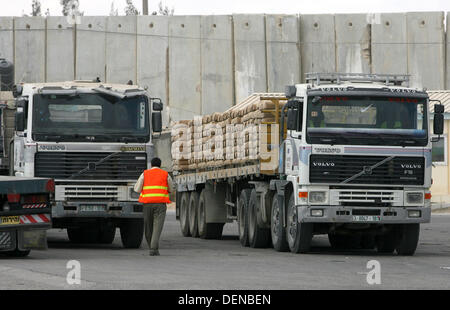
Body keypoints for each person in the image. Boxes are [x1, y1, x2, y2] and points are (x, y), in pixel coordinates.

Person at [134, 157, 174, 256]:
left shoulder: (145, 174)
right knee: (157, 227)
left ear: (151, 165)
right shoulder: (165, 174)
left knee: (148, 227)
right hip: (160, 205)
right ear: (160, 165)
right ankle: (153, 248)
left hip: (147, 204)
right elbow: (171, 189)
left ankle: (152, 247)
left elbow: (137, 189)